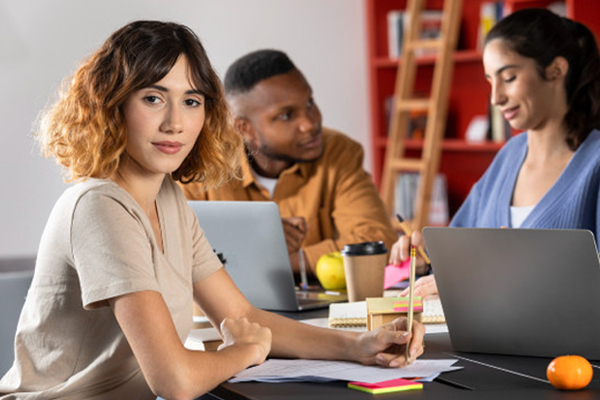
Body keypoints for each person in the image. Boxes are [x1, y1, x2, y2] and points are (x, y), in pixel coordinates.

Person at [0, 21, 424, 400]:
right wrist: (245, 351)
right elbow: (176, 381)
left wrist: (358, 346)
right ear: (112, 106)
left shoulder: (168, 200)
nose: (175, 123)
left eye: (191, 101)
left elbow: (241, 315)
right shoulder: (100, 205)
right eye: (153, 98)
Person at [390, 8, 600, 298]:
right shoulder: (508, 157)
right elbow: (462, 260)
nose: (495, 98)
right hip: (487, 342)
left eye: (509, 77)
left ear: (556, 70)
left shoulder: (594, 163)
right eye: (490, 81)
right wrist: (427, 260)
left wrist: (492, 277)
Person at [179, 49, 397, 275]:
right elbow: (173, 253)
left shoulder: (339, 151)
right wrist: (257, 242)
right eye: (286, 115)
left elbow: (377, 243)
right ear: (244, 128)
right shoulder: (201, 163)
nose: (310, 124)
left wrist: (271, 257)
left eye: (310, 103)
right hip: (222, 309)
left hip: (321, 308)